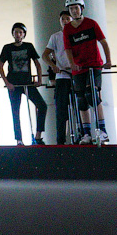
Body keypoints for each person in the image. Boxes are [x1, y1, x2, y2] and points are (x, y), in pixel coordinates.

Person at [63, 0, 112, 145]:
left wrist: (108, 60)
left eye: (76, 8)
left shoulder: (91, 23)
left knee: (92, 94)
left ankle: (103, 131)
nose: (74, 11)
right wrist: (72, 64)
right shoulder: (68, 28)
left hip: (94, 65)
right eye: (71, 9)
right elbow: (68, 49)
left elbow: (103, 42)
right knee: (81, 100)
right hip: (79, 69)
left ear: (82, 9)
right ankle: (86, 133)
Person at [0, 22, 47, 146]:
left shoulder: (29, 46)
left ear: (24, 34)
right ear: (13, 34)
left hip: (28, 83)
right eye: (16, 32)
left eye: (20, 32)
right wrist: (7, 82)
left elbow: (37, 63)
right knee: (15, 111)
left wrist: (39, 79)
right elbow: (0, 66)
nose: (18, 35)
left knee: (42, 106)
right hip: (14, 85)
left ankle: (38, 136)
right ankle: (19, 139)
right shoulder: (7, 48)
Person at [43, 11, 75, 144]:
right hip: (62, 77)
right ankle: (61, 141)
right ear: (60, 21)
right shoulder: (55, 37)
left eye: (68, 18)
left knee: (80, 107)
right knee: (61, 110)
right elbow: (45, 55)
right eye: (63, 19)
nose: (65, 21)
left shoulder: (77, 35)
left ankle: (80, 136)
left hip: (76, 75)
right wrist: (53, 66)